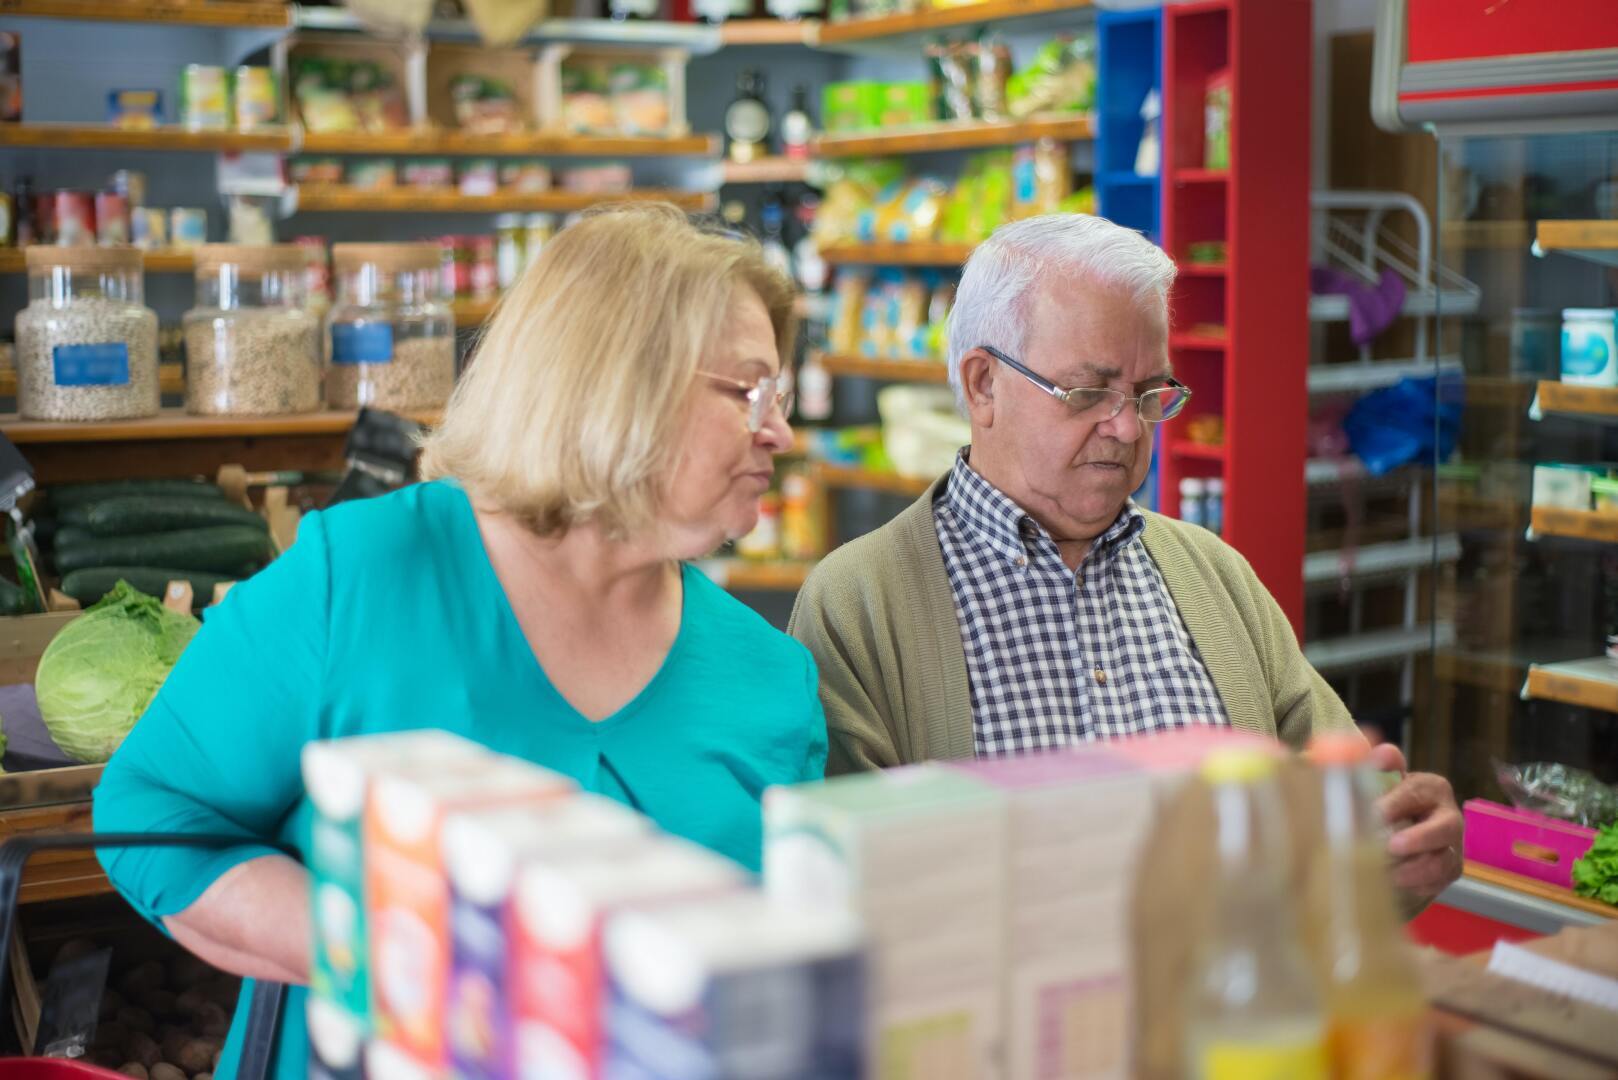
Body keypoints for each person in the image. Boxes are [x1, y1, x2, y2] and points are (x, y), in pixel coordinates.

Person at [93, 205, 826, 1080]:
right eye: (749, 391)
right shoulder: (360, 576)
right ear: (615, 381)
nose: (778, 431)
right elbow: (152, 816)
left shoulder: (772, 677)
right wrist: (395, 960)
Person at [789, 213, 1463, 906]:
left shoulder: (1215, 576)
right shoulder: (858, 605)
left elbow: (1343, 823)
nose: (1127, 427)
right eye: (1089, 393)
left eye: (1149, 394)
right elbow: (856, 902)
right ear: (983, 384)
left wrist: (1400, 845)